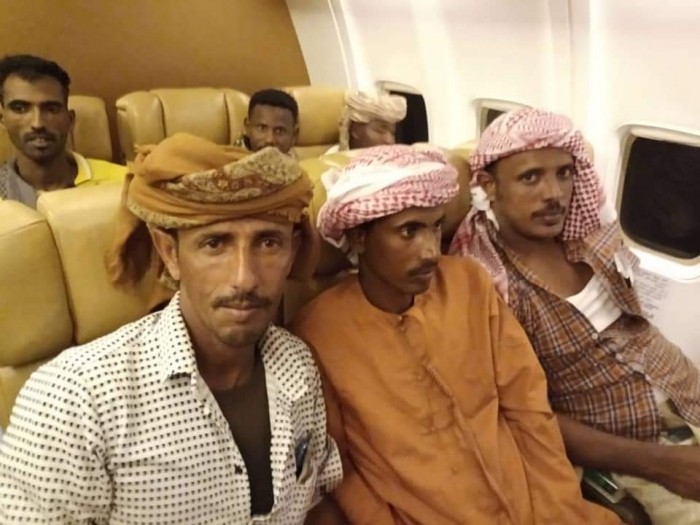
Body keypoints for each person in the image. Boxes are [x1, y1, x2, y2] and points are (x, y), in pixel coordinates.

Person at [0, 134, 344, 524]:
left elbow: (315, 499)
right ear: (169, 254)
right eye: (215, 244)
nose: (245, 278)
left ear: (293, 253)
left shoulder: (297, 364)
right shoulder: (75, 400)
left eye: (268, 243)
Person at [291, 145, 619, 524]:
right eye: (409, 231)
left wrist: (559, 509)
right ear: (360, 237)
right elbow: (341, 467)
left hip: (530, 503)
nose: (431, 251)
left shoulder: (469, 283)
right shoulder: (319, 331)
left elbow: (528, 407)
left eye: (435, 227)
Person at [450, 107, 700, 524]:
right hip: (634, 447)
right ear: (489, 186)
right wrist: (661, 465)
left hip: (686, 389)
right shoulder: (490, 285)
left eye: (564, 174)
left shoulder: (587, 234)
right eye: (531, 177)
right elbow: (524, 416)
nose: (555, 194)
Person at [0, 54, 126, 208]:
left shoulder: (124, 183)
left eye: (51, 109)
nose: (37, 124)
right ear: (3, 119)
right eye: (20, 109)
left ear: (70, 119)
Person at [327, 90, 407, 153]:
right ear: (356, 130)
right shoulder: (332, 162)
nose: (390, 141)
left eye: (392, 133)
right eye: (380, 130)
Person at [234, 88, 299, 155]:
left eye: (279, 131)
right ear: (247, 128)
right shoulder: (230, 159)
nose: (269, 140)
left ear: (294, 135)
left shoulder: (296, 160)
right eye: (262, 128)